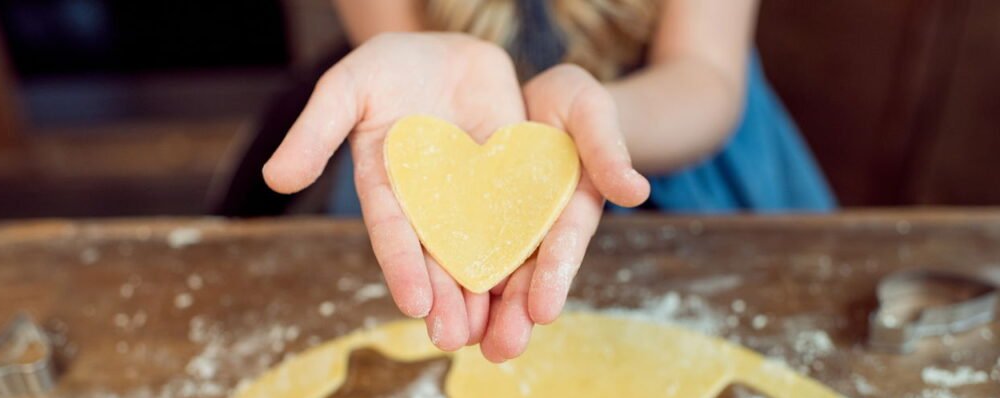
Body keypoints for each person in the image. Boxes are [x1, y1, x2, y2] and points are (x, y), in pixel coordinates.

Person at [262, 0, 835, 363]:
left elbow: (707, 75)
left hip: (667, 142)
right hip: (442, 160)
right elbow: (389, 34)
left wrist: (590, 129)